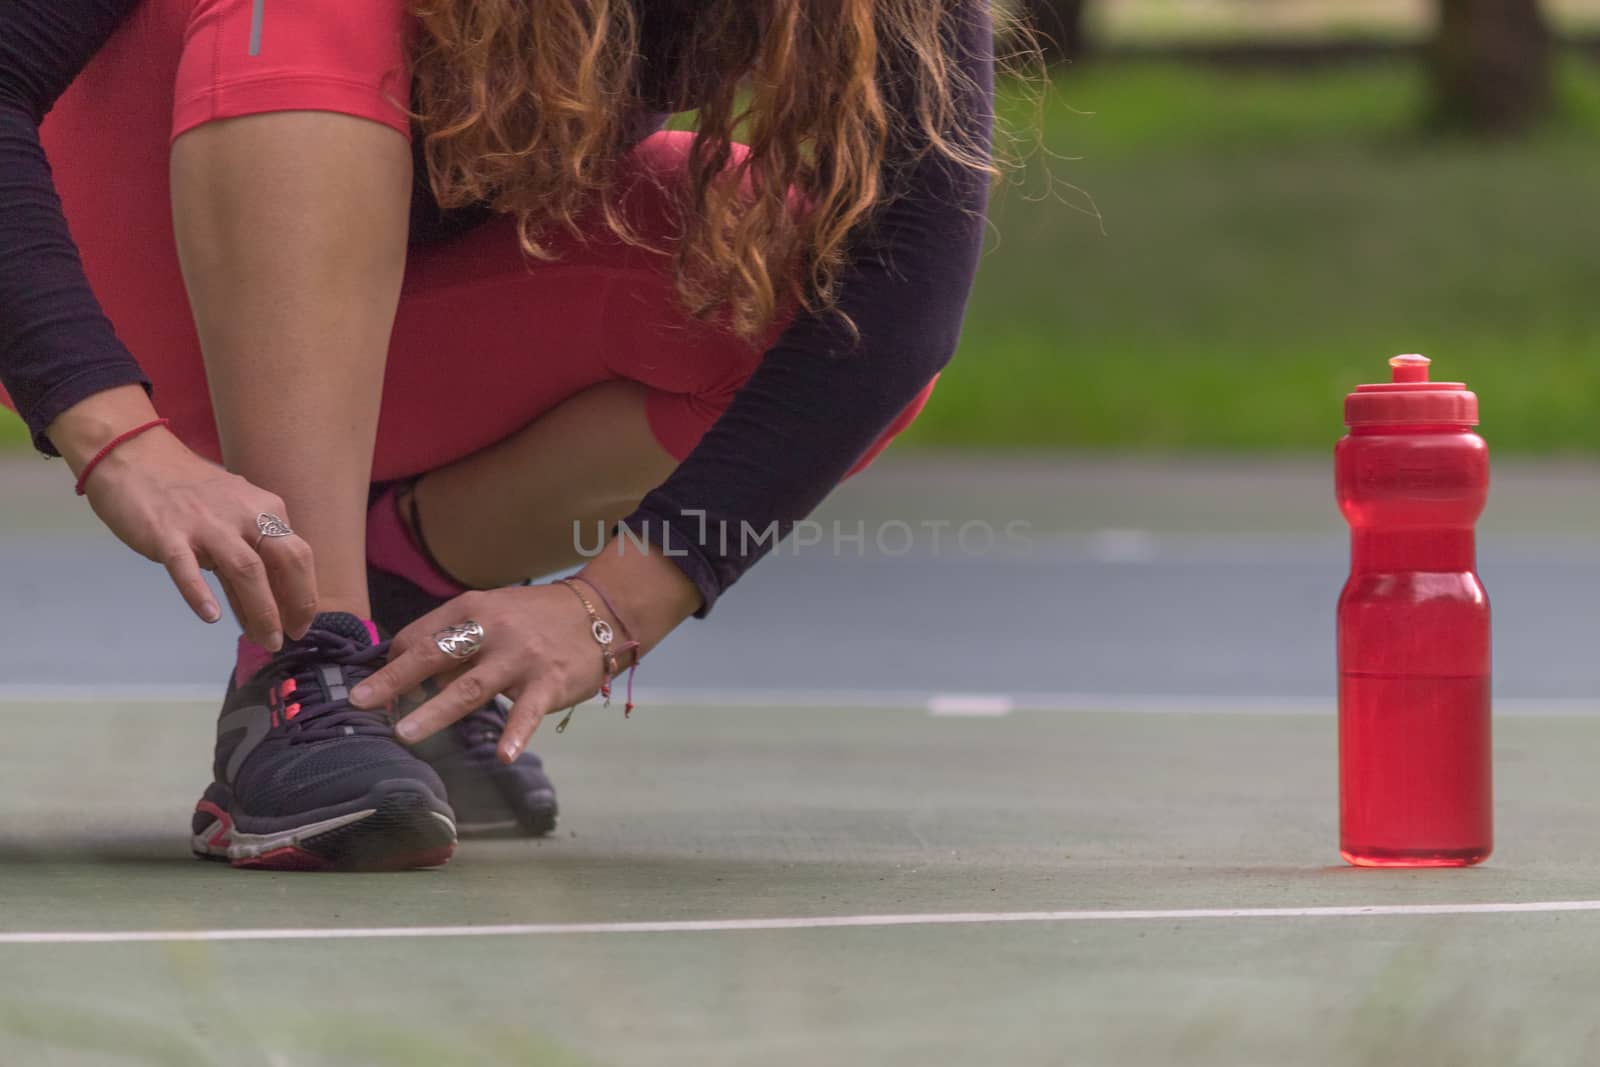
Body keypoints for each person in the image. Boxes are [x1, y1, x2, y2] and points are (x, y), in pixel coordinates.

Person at [0, 0, 996, 870]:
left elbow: (905, 284)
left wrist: (606, 609)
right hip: (121, 270)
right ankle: (308, 661)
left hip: (389, 315)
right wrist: (115, 433)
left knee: (796, 287)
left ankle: (398, 609)